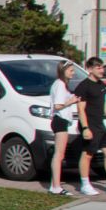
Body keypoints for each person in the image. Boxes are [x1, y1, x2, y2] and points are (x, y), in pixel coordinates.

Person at [75, 57, 106, 197]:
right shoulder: (83, 86)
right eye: (98, 68)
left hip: (100, 124)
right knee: (87, 154)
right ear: (89, 69)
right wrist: (85, 128)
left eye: (102, 67)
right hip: (89, 124)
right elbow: (80, 109)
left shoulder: (101, 84)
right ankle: (85, 184)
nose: (102, 70)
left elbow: (103, 103)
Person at [47, 60, 78, 195]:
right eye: (71, 70)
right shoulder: (59, 84)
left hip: (61, 120)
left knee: (59, 154)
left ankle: (54, 185)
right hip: (60, 120)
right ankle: (56, 186)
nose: (73, 73)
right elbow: (58, 106)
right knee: (59, 155)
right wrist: (71, 101)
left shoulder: (61, 84)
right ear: (63, 71)